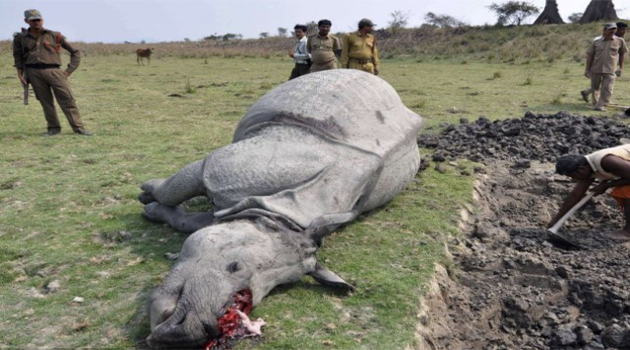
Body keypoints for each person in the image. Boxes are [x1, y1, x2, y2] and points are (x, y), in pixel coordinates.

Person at [12, 9, 92, 136]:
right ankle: (53, 129)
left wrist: (68, 71)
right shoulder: (20, 38)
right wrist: (20, 74)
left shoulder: (55, 35)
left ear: (42, 20)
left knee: (67, 100)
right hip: (33, 72)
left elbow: (75, 52)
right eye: (33, 20)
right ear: (26, 21)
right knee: (45, 101)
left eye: (38, 19)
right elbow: (18, 56)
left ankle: (78, 128)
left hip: (55, 71)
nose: (36, 22)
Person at [549, 145, 630, 240]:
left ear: (582, 169)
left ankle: (628, 232)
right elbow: (575, 195)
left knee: (626, 191)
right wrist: (555, 220)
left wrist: (605, 186)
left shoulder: (606, 161)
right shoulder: (588, 168)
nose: (573, 179)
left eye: (573, 176)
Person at [581, 23, 628, 112]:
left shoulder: (619, 41)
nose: (612, 31)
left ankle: (601, 104)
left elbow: (622, 54)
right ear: (604, 30)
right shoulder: (596, 41)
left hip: (610, 68)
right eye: (610, 29)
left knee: (608, 88)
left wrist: (620, 67)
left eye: (614, 29)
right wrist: (587, 69)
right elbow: (590, 55)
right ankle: (596, 103)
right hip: (596, 67)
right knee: (595, 87)